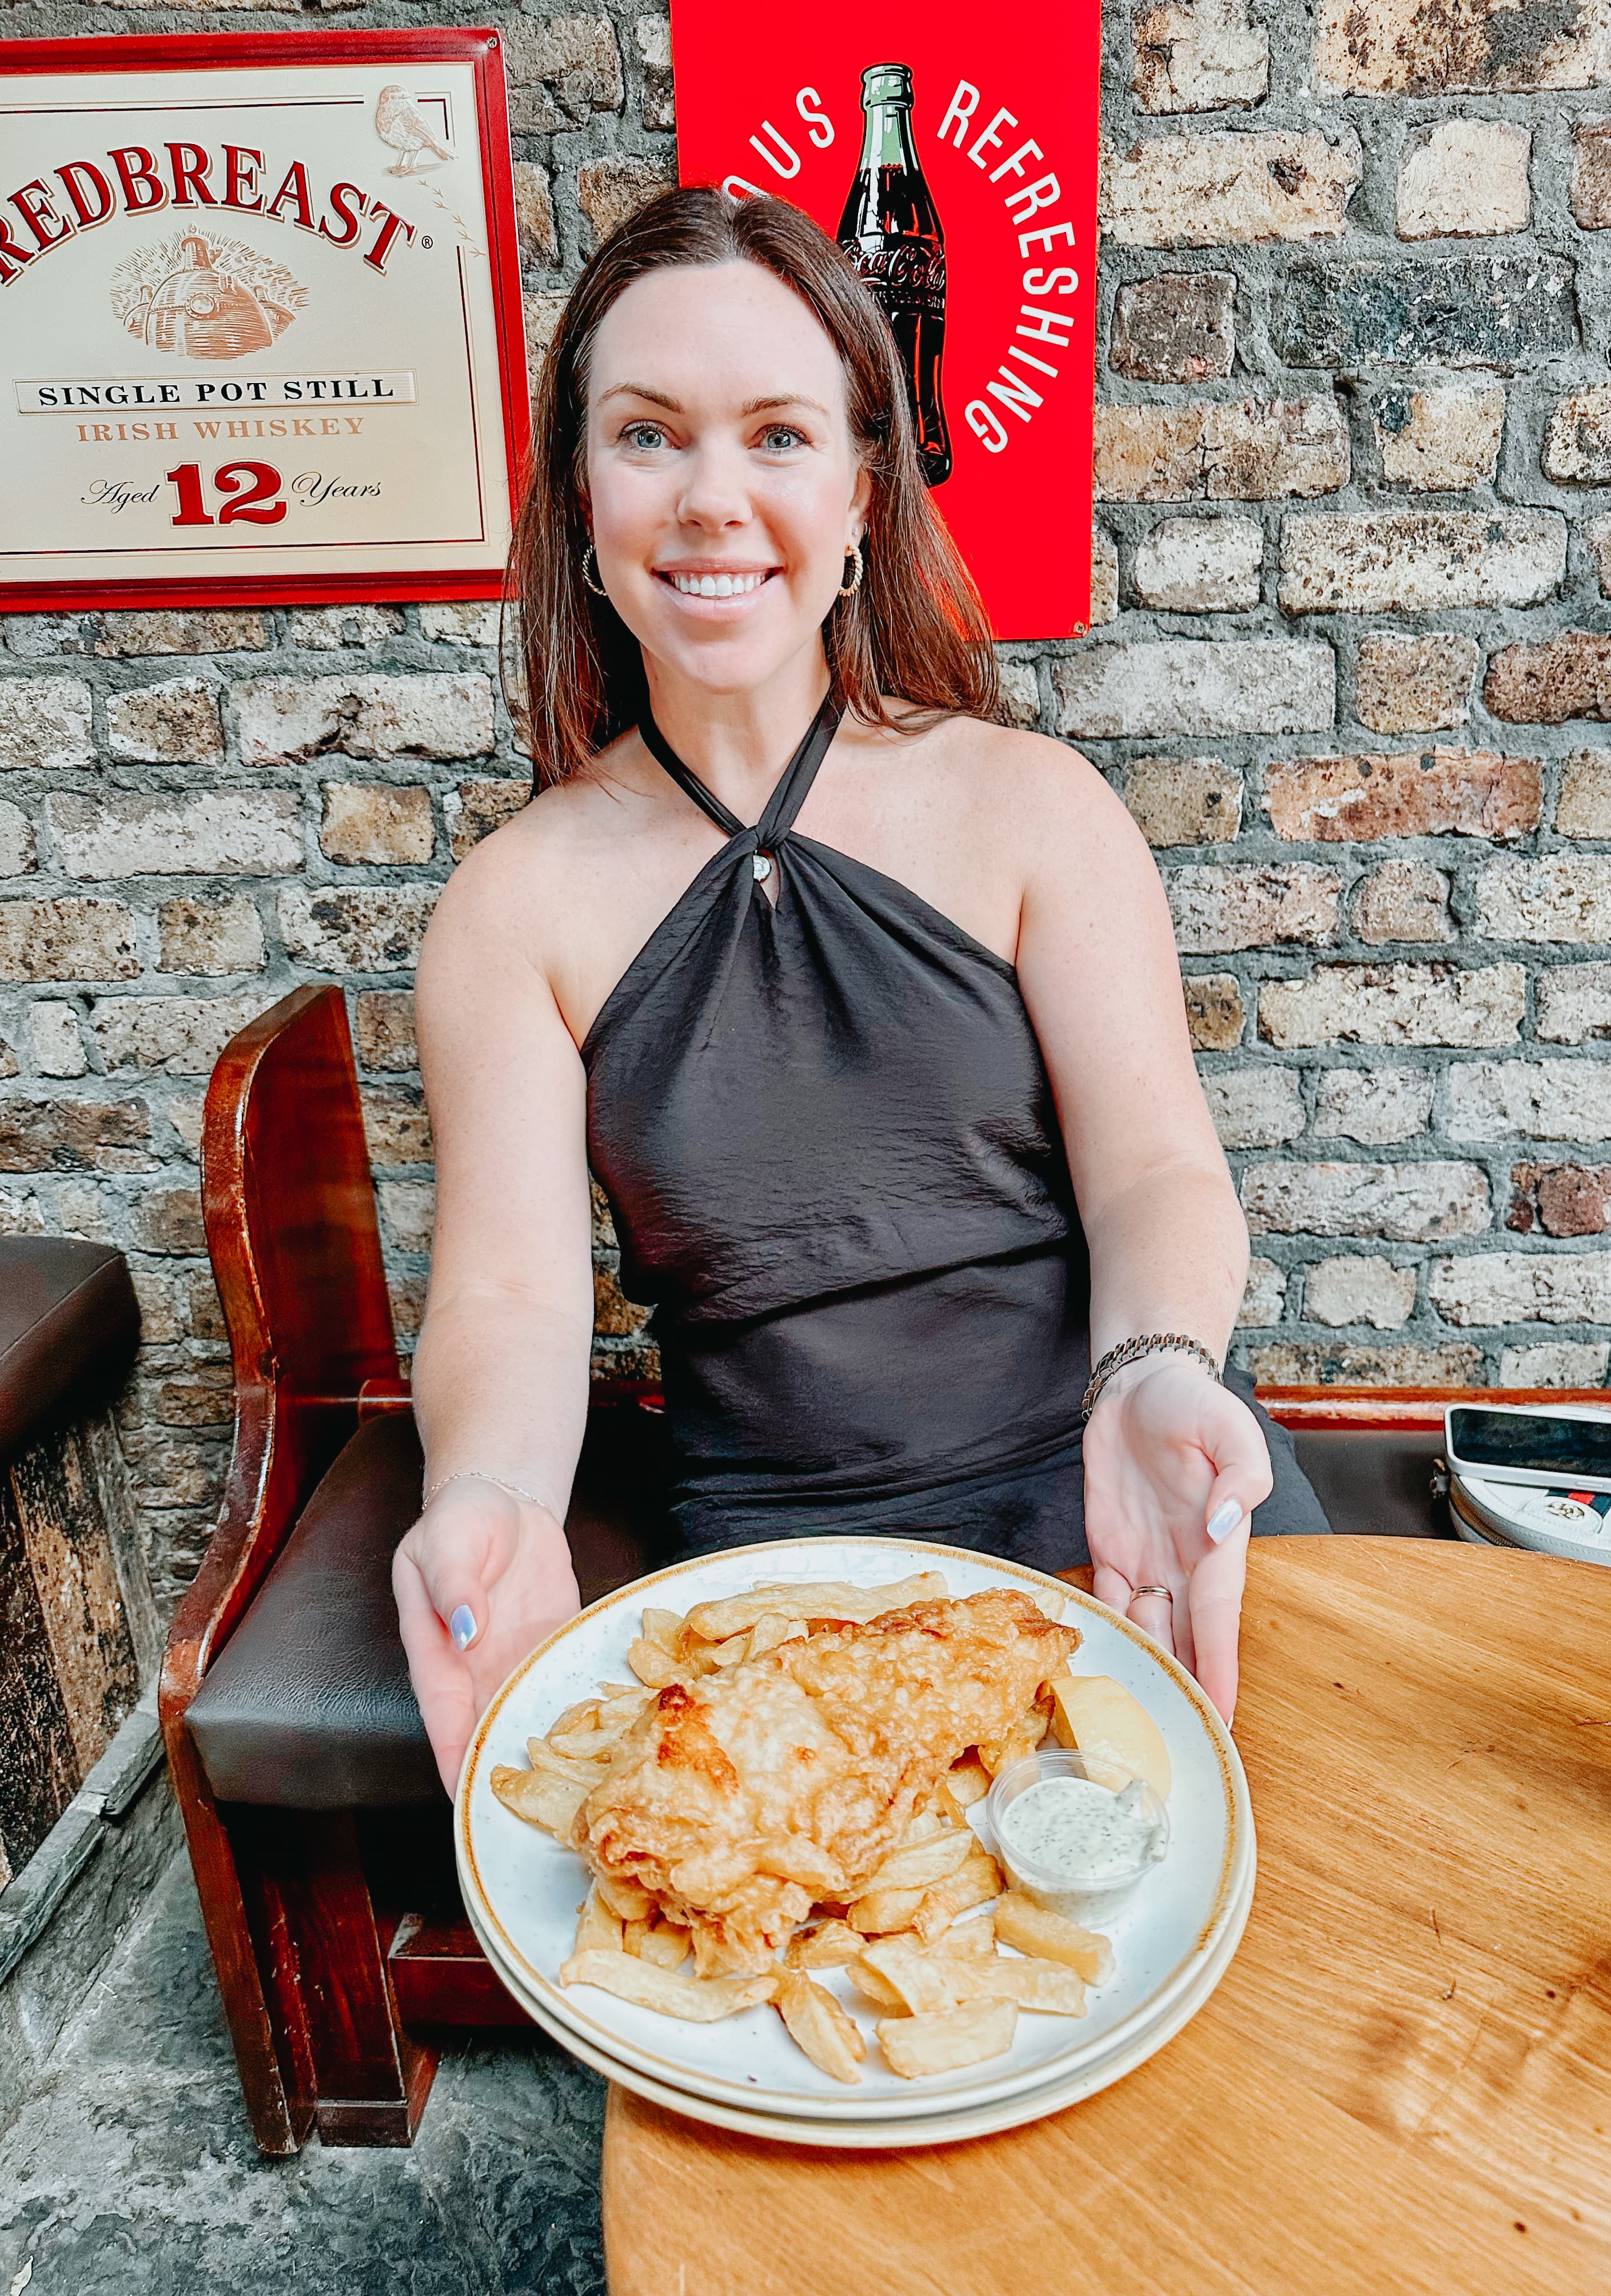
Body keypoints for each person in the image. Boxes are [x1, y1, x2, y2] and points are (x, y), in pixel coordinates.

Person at [393, 188, 1328, 1795]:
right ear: (577, 493)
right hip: (782, 1577)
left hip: (1123, 1486)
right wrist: (488, 1489)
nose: (709, 499)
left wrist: (1158, 1368)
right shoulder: (508, 911)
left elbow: (1162, 1174)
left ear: (861, 493)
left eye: (775, 435)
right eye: (646, 434)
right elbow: (510, 1303)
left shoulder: (1036, 807)